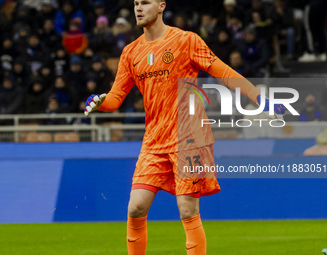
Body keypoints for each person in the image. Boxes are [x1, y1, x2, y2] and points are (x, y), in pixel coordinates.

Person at [84, 1, 285, 254]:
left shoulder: (186, 41)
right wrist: (101, 102)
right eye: (136, 3)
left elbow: (222, 71)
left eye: (145, 2)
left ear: (160, 6)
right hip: (154, 141)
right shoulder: (130, 52)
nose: (138, 8)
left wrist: (259, 97)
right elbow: (115, 98)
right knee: (136, 208)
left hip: (189, 137)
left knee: (187, 209)